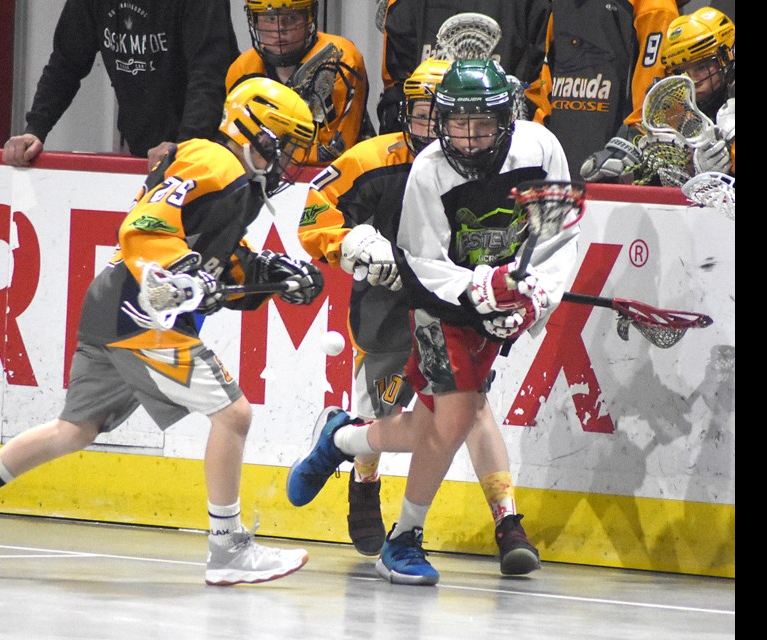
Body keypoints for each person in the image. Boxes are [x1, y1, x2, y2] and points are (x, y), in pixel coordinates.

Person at [0, 77, 326, 587]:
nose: (286, 158)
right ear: (251, 131)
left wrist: (269, 276)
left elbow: (210, 260)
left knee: (73, 430)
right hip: (138, 316)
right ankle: (228, 548)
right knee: (233, 414)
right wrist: (184, 273)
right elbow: (143, 227)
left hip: (112, 307)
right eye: (280, 142)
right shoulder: (216, 163)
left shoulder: (234, 181)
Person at [288, 59, 580, 585]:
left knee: (442, 422)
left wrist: (537, 296)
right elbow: (419, 261)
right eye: (448, 121)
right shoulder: (412, 167)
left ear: (506, 118)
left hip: (490, 302)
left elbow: (558, 235)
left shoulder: (539, 148)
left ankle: (345, 441)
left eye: (482, 125)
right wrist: (349, 242)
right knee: (457, 413)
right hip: (427, 307)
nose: (466, 139)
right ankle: (402, 529)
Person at [1, 0, 240, 172]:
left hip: (211, 151)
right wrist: (35, 130)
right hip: (145, 151)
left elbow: (209, 73)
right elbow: (66, 63)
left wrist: (187, 145)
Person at [579, 5, 734, 184]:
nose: (693, 78)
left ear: (726, 56)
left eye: (701, 66)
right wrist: (620, 159)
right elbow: (637, 140)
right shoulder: (670, 110)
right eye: (683, 70)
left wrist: (720, 175)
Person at [527, 0, 683, 177]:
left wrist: (632, 143)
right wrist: (537, 137)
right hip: (561, 168)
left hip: (620, 174)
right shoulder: (560, 6)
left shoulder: (654, 5)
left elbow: (657, 94)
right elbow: (548, 84)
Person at [226, 0, 374, 165]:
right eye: (269, 19)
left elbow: (334, 151)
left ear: (308, 18)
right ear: (254, 19)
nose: (279, 30)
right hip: (264, 175)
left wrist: (265, 155)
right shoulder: (241, 70)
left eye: (290, 17)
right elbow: (236, 147)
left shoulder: (341, 58)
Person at [376, 0, 551, 134]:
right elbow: (397, 90)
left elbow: (542, 86)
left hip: (502, 145)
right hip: (424, 145)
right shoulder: (403, 6)